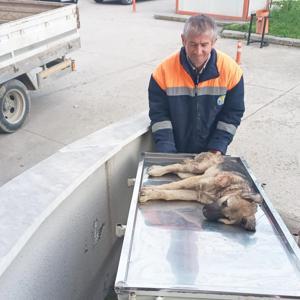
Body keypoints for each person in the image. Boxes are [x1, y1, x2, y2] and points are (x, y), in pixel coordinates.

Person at [148, 14, 245, 155]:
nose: (198, 52)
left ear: (214, 42)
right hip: (173, 149)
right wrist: (167, 152)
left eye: (204, 45)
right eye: (192, 44)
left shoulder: (232, 71)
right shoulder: (162, 72)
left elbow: (232, 114)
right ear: (183, 40)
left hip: (212, 151)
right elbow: (159, 116)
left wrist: (217, 147)